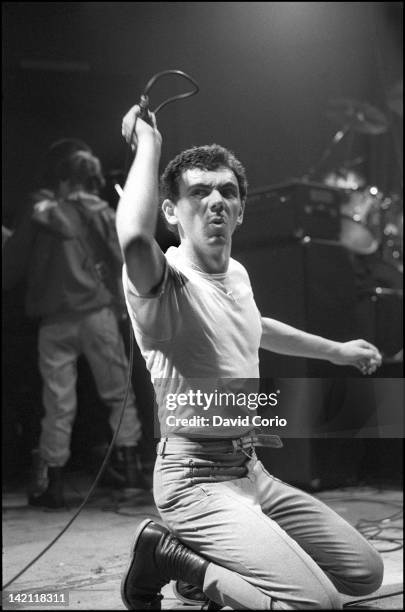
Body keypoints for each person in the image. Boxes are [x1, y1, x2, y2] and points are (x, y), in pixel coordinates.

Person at [116, 106, 384, 610]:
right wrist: (148, 143)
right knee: (317, 605)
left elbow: (257, 328)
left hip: (249, 469)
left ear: (241, 210)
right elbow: (132, 237)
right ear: (171, 212)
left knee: (365, 574)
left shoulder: (235, 273)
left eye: (228, 192)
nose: (215, 201)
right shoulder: (163, 282)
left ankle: (212, 564)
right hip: (192, 479)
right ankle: (172, 558)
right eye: (198, 192)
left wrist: (339, 352)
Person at [3, 139, 146, 509]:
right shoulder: (103, 213)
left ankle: (52, 482)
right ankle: (129, 471)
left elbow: (10, 269)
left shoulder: (40, 212)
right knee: (118, 394)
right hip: (97, 315)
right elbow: (121, 261)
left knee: (58, 401)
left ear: (60, 177)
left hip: (54, 323)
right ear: (92, 179)